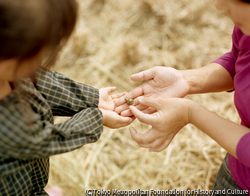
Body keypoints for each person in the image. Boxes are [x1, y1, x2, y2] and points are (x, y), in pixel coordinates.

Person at [115, 0, 250, 194]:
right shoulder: (246, 27)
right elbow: (239, 59)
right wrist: (185, 80)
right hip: (237, 170)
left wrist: (190, 113)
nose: (220, 6)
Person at [0, 0, 133, 195]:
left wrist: (93, 98)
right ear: (12, 57)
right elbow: (53, 138)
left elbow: (43, 83)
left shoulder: (8, 70)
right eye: (42, 51)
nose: (44, 59)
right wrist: (98, 117)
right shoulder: (10, 126)